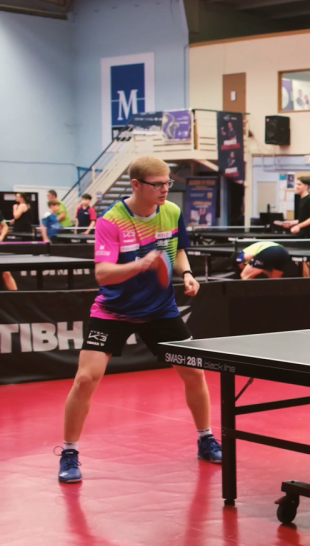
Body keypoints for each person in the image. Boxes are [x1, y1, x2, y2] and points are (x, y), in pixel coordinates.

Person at [56, 155, 219, 484]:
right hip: (114, 310)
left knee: (194, 372)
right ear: (136, 184)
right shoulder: (111, 221)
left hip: (161, 310)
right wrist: (139, 265)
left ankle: (205, 438)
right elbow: (103, 273)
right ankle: (69, 452)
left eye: (167, 182)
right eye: (157, 184)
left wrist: (186, 273)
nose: (165, 189)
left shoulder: (171, 212)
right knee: (86, 379)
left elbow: (178, 250)